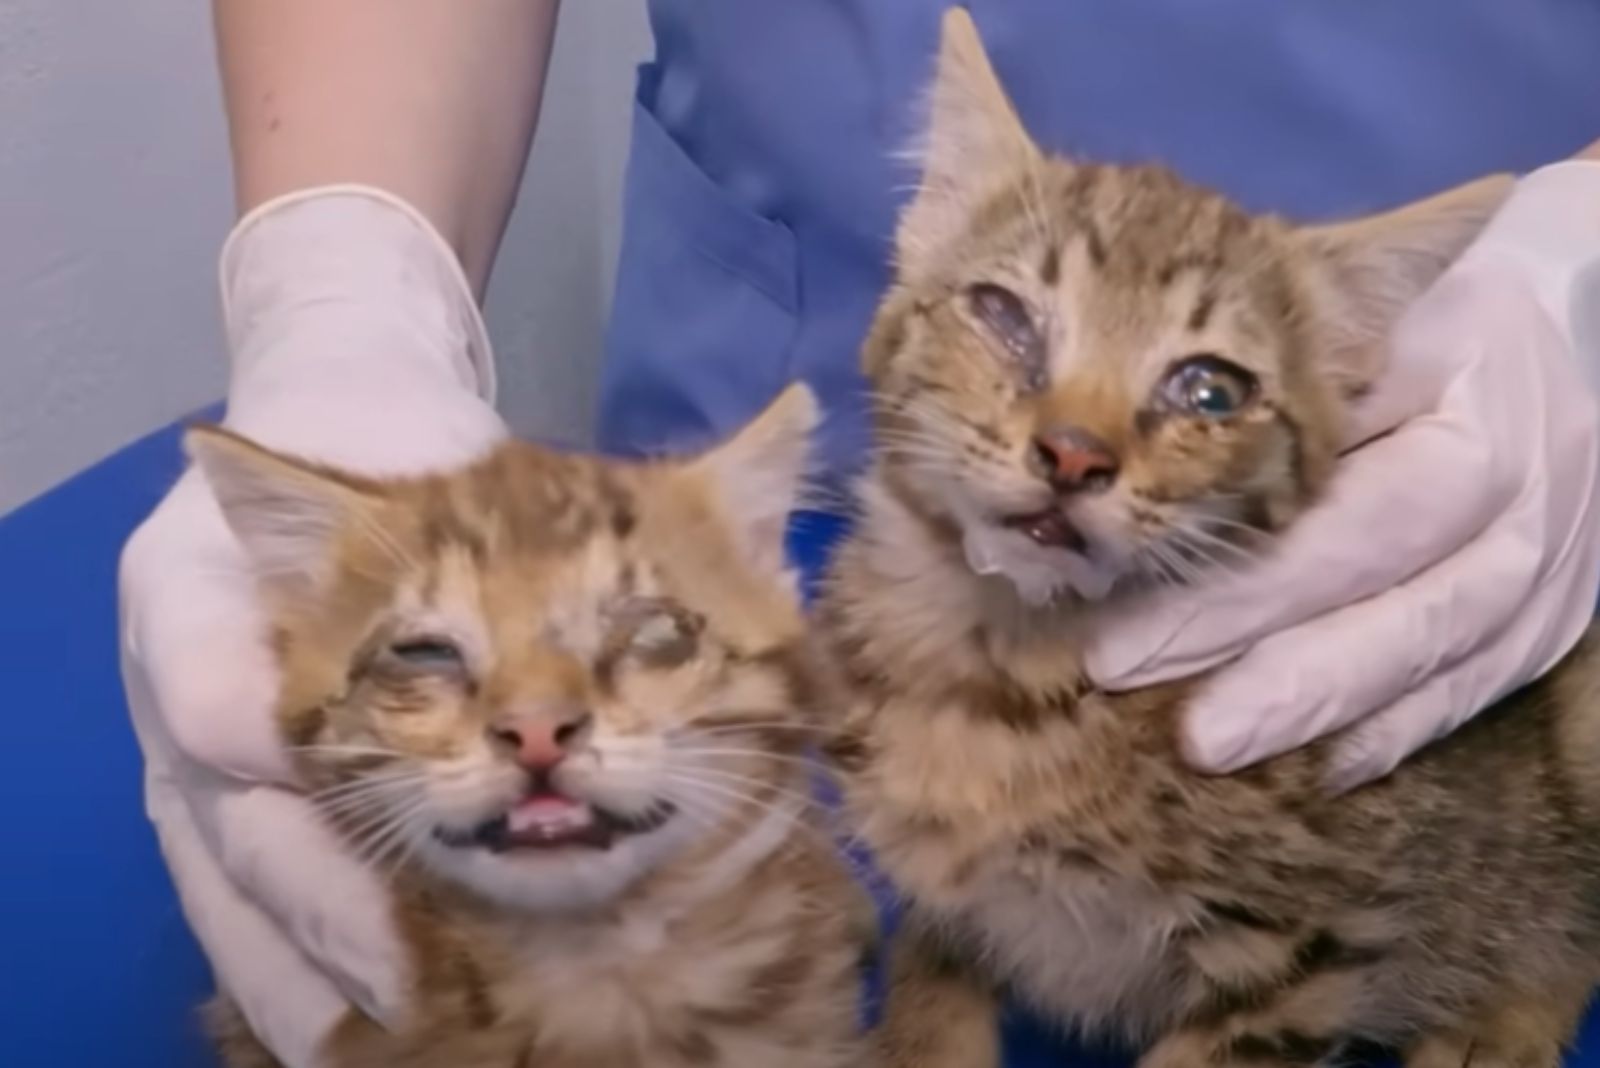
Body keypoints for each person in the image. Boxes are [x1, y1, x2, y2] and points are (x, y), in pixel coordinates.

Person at [118, 1, 1600, 1064]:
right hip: (796, 424)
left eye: (1197, 389)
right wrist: (344, 282)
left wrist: (1581, 258)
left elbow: (1311, 915)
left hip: (1455, 426)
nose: (1075, 443)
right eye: (1014, 325)